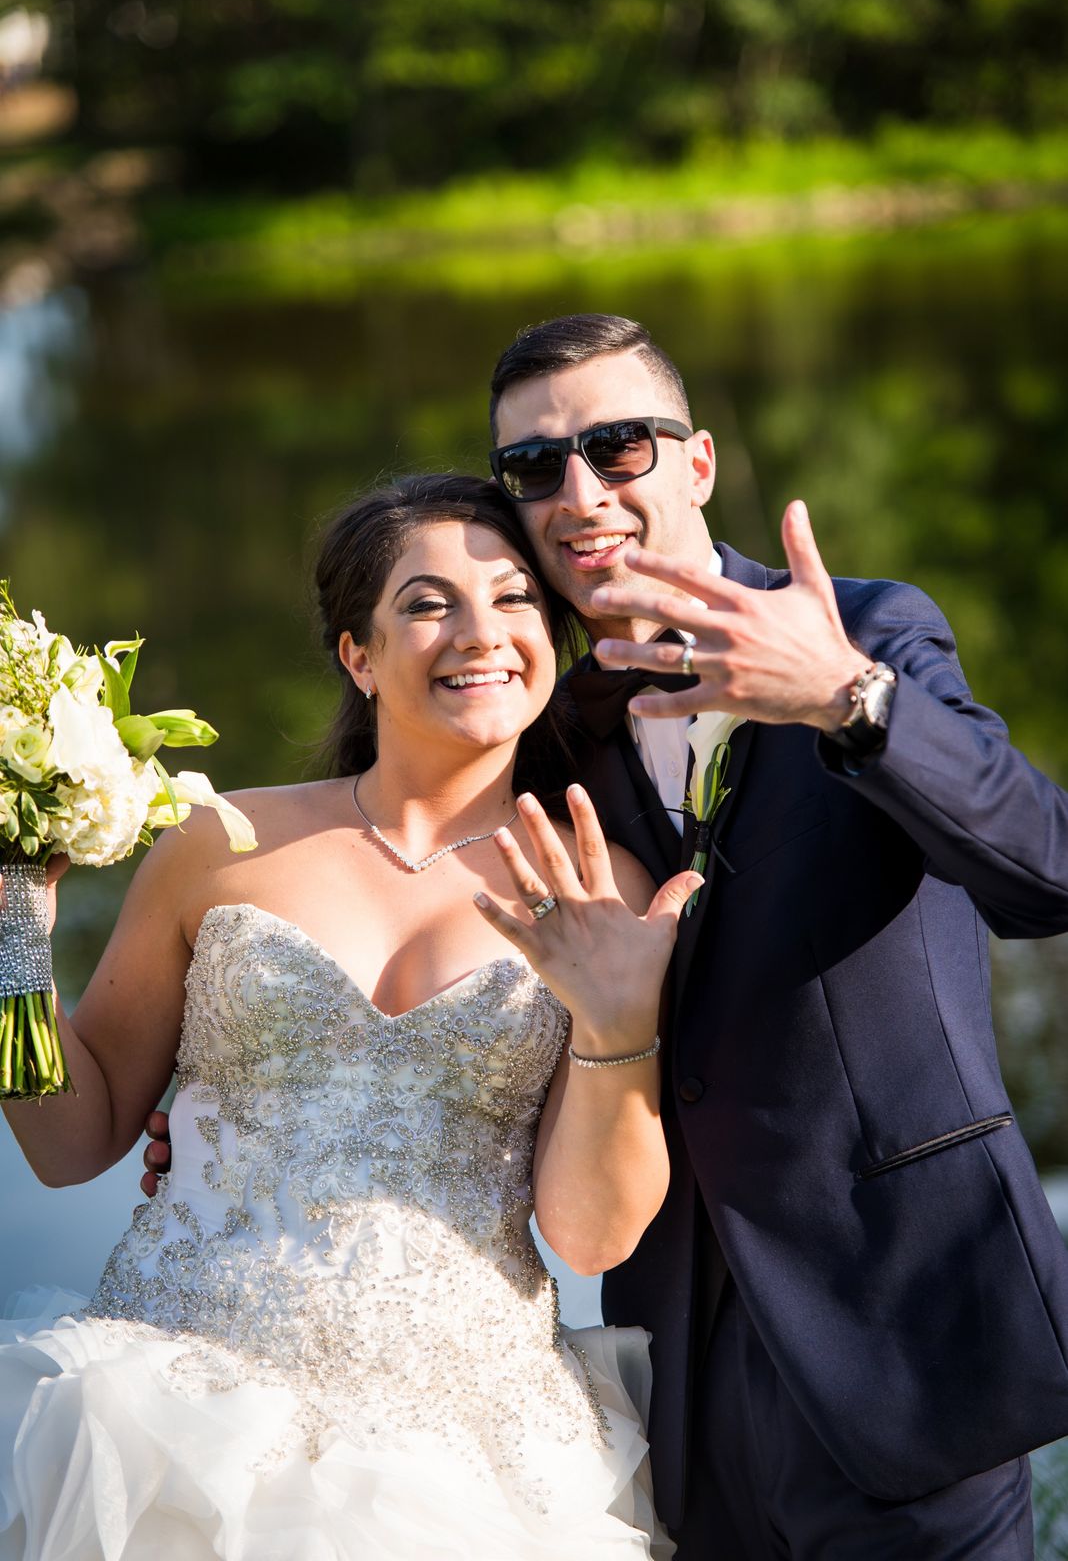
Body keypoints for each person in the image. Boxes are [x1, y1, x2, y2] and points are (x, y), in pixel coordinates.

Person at [0, 474, 701, 1559]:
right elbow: (68, 1142)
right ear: (358, 655)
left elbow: (590, 1235)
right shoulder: (217, 844)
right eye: (428, 604)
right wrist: (13, 934)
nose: (482, 632)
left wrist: (617, 1025)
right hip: (175, 1428)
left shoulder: (598, 886)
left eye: (515, 598)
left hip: (464, 1457)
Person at [480, 314, 1068, 1558]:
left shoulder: (866, 632)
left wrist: (848, 701)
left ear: (696, 463)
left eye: (617, 446)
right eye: (534, 466)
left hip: (910, 1331)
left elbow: (1043, 874)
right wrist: (226, 1105)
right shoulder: (549, 729)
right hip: (678, 1379)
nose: (579, 494)